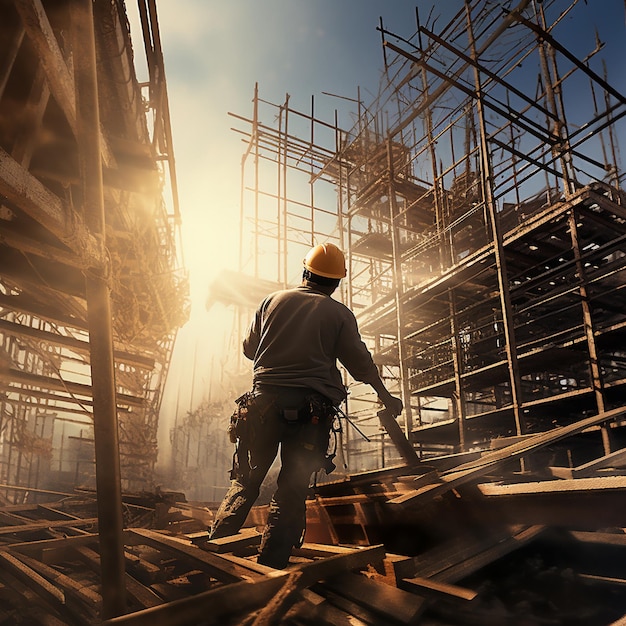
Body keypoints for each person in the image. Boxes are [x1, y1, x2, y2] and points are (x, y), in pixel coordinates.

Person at [208, 242, 403, 569]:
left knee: (245, 481)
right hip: (310, 415)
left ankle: (209, 558)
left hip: (262, 407)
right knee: (292, 490)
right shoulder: (340, 315)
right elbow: (362, 367)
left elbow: (248, 349)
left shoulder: (272, 300)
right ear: (337, 282)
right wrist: (387, 398)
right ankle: (270, 569)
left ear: (304, 271)